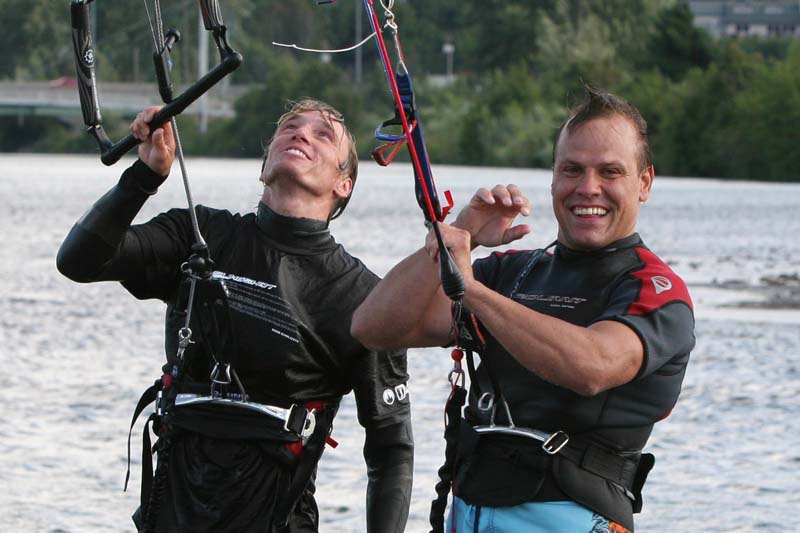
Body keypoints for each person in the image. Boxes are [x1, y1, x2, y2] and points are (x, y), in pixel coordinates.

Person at [56, 99, 413, 532]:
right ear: (264, 165)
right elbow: (78, 262)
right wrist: (143, 178)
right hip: (172, 512)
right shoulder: (198, 234)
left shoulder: (365, 297)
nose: (300, 133)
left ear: (344, 185)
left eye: (323, 134)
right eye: (289, 127)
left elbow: (391, 449)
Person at [351, 86, 695, 532]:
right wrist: (460, 234)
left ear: (644, 182)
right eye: (572, 169)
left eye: (610, 171)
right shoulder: (512, 273)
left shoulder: (657, 290)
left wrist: (470, 291)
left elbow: (591, 367)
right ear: (553, 178)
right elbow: (374, 328)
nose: (588, 188)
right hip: (469, 512)